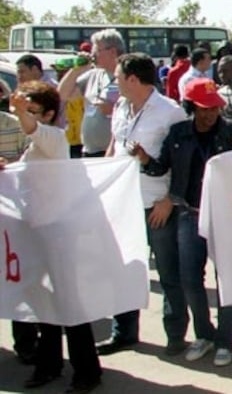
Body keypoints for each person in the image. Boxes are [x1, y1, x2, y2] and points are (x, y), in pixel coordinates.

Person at [6, 82, 103, 393]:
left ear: (48, 114)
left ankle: (87, 371)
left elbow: (34, 131)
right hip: (36, 232)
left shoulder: (55, 138)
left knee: (69, 304)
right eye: (25, 110)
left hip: (59, 233)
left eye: (33, 111)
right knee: (44, 304)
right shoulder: (36, 144)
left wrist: (23, 114)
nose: (26, 117)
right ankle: (49, 365)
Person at [101, 52, 189, 355]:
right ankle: (123, 332)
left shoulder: (170, 112)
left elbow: (183, 162)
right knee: (123, 270)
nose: (115, 82)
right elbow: (114, 146)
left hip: (156, 204)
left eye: (117, 77)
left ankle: (175, 334)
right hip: (121, 204)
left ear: (133, 79)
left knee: (168, 274)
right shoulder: (121, 107)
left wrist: (169, 199)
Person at [162, 78, 232, 367]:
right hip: (189, 213)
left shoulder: (231, 133)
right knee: (190, 278)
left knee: (226, 280)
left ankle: (225, 341)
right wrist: (144, 159)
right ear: (191, 107)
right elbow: (161, 166)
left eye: (214, 108)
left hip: (224, 215)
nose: (209, 114)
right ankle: (204, 334)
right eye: (203, 109)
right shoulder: (178, 133)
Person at [58, 29, 124, 158]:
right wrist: (76, 69)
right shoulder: (92, 75)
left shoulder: (127, 75)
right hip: (89, 151)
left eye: (97, 50)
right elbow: (62, 94)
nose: (93, 54)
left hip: (113, 152)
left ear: (113, 52)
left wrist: (114, 110)